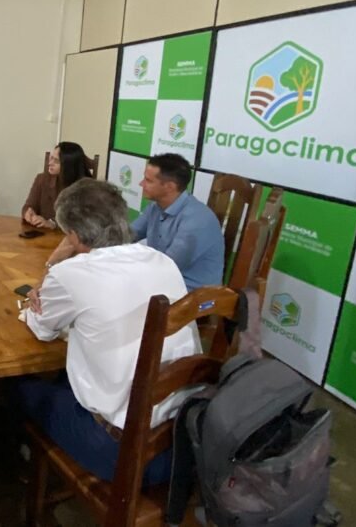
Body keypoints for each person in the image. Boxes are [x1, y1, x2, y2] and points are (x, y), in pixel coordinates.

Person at [14, 178, 199, 485]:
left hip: (120, 452)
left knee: (17, 386)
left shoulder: (70, 273)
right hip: (180, 438)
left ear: (72, 235)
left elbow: (43, 331)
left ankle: (26, 469)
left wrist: (49, 273)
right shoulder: (160, 260)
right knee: (71, 372)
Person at [131, 153, 224, 291]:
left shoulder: (197, 220)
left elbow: (169, 267)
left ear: (169, 187)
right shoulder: (155, 206)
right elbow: (129, 233)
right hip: (165, 281)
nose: (141, 184)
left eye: (148, 180)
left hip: (193, 294)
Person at [22, 142, 92, 229]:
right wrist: (28, 213)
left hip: (72, 239)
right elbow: (28, 206)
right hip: (44, 236)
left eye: (56, 161)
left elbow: (82, 223)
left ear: (69, 165)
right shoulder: (41, 179)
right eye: (50, 158)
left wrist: (53, 224)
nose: (50, 163)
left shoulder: (86, 188)